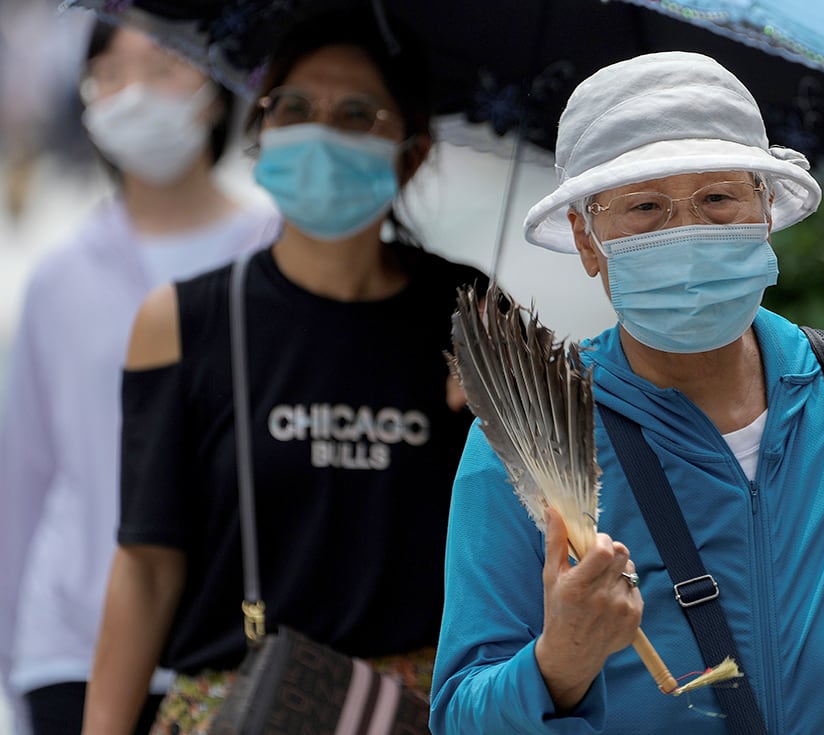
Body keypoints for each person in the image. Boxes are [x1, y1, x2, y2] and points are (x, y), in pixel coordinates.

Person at [431, 52, 824, 734]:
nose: (687, 234)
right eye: (645, 207)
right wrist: (559, 662)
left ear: (765, 207)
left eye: (718, 199)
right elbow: (460, 713)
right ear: (586, 237)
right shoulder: (529, 434)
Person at [81, 9, 487, 735]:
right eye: (293, 107)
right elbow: (146, 563)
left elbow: (530, 526)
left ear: (413, 150)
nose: (321, 130)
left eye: (357, 113)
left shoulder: (470, 313)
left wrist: (507, 406)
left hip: (415, 711)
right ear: (260, 130)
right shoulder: (185, 319)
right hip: (235, 705)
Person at [0, 20, 279, 735]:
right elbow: (23, 477)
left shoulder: (276, 255)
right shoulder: (59, 275)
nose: (136, 96)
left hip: (235, 643)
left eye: (164, 69)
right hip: (70, 645)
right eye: (111, 73)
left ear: (219, 89)